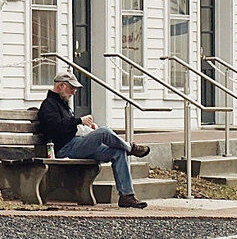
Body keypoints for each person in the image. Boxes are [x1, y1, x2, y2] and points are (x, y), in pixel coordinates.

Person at [35, 70, 152, 209]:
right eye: (71, 88)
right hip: (64, 148)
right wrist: (79, 120)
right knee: (104, 132)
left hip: (76, 144)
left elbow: (69, 126)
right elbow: (55, 128)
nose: (74, 92)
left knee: (118, 151)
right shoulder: (48, 105)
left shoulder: (62, 104)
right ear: (61, 86)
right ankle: (130, 148)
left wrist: (87, 127)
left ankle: (127, 196)